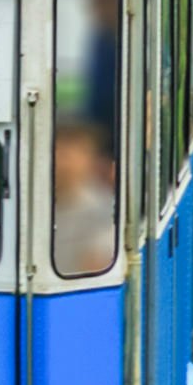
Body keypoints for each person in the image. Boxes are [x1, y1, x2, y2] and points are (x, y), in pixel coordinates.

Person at [50, 111, 121, 279]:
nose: (64, 161)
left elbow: (97, 266)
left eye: (74, 151)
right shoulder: (30, 207)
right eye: (59, 150)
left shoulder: (106, 209)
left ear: (91, 158)